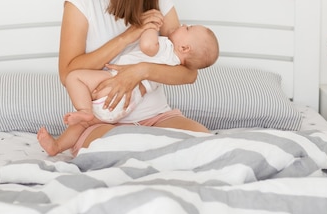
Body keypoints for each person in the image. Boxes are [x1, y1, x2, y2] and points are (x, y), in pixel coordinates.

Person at [51, 0, 211, 156]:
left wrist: (141, 71)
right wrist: (128, 36)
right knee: (112, 151)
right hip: (104, 123)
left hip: (157, 117)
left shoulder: (160, 1)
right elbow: (68, 73)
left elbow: (188, 73)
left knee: (205, 142)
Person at [37, 24, 219, 156]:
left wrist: (149, 27)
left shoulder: (166, 46)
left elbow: (189, 75)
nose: (183, 25)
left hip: (125, 97)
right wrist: (127, 38)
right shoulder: (172, 57)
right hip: (121, 107)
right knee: (106, 141)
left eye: (187, 28)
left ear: (185, 48)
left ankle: (63, 139)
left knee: (76, 84)